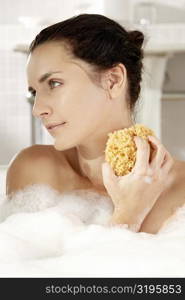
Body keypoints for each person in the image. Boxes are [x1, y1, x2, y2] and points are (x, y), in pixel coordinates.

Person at [6, 14, 185, 234]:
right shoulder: (36, 171)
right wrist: (129, 214)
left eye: (54, 83)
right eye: (34, 92)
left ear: (113, 81)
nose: (37, 108)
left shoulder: (182, 191)